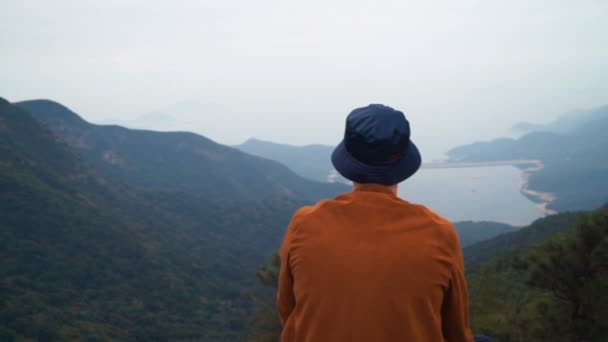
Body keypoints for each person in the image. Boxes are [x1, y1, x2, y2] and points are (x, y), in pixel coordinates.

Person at [277, 104, 491, 341]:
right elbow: (456, 331)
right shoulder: (439, 233)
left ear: (348, 160)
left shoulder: (304, 224)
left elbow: (288, 311)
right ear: (402, 162)